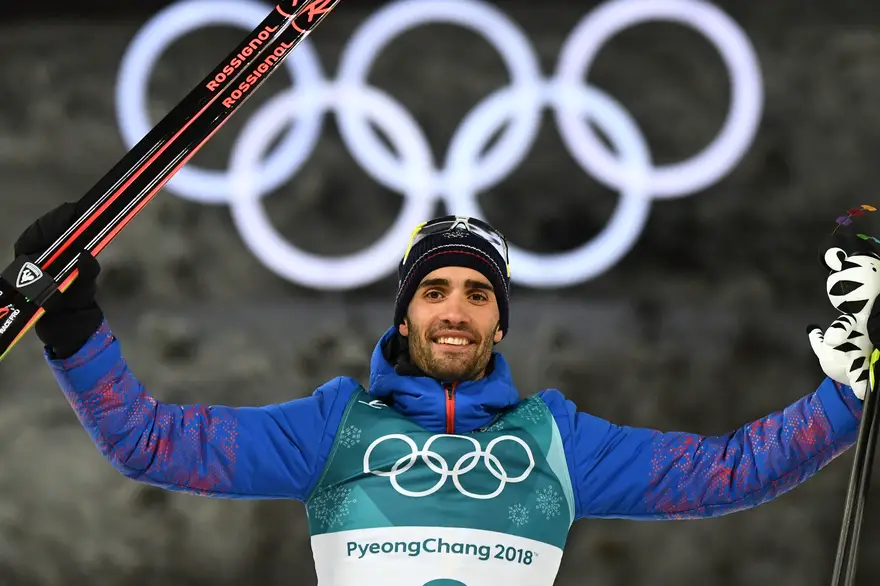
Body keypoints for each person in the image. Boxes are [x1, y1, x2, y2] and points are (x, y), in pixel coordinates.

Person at [12, 203, 878, 586]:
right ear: (405, 315)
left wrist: (846, 392)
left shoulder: (558, 442)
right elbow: (152, 443)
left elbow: (728, 473)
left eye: (477, 293)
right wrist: (74, 326)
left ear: (501, 323)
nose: (455, 312)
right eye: (434, 292)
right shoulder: (332, 428)